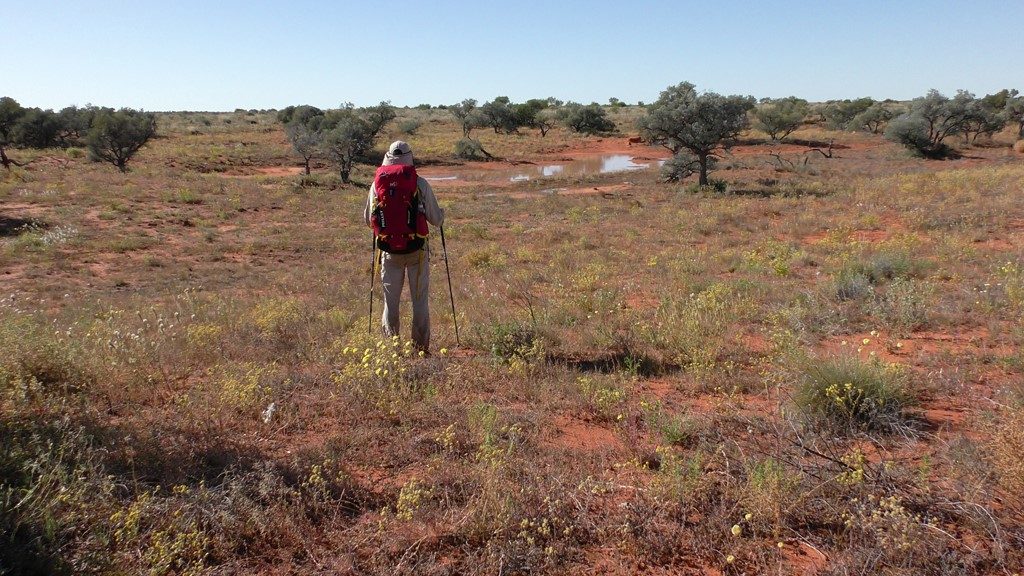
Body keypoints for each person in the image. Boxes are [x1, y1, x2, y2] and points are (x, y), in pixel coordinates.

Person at [364, 141, 444, 353]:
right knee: (419, 301)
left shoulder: (376, 184)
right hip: (416, 250)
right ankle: (420, 349)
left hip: (389, 252)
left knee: (391, 303)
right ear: (410, 158)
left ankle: (392, 350)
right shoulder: (420, 183)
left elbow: (367, 219)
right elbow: (435, 219)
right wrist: (441, 214)